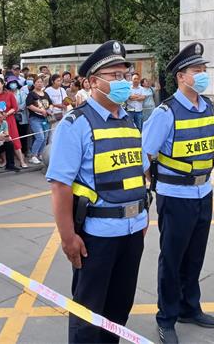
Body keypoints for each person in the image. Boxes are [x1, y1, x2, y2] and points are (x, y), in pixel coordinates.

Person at [47, 40, 148, 344]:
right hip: (97, 236)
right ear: (93, 82)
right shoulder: (75, 124)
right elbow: (60, 186)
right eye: (114, 75)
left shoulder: (129, 121)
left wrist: (142, 217)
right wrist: (68, 237)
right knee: (88, 314)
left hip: (132, 232)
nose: (122, 81)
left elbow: (138, 174)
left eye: (124, 74)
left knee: (119, 309)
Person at [142, 42, 214, 343]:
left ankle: (190, 307)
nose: (202, 74)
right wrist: (151, 187)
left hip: (204, 193)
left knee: (195, 256)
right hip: (175, 196)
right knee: (172, 260)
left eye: (204, 69)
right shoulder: (166, 112)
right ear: (181, 77)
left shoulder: (207, 106)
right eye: (196, 70)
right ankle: (166, 317)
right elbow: (144, 155)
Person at [0, 78, 27, 168]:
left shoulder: (10, 94)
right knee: (1, 141)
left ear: (2, 84)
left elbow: (15, 107)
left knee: (15, 140)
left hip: (10, 120)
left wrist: (7, 114)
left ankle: (21, 161)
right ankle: (4, 161)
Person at [26, 77, 53, 164]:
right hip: (35, 119)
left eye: (41, 82)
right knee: (40, 137)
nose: (40, 83)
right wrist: (41, 111)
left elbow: (51, 103)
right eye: (37, 82)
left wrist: (50, 109)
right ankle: (33, 155)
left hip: (45, 119)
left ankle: (41, 154)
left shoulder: (45, 93)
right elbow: (29, 105)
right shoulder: (31, 94)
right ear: (34, 83)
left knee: (45, 138)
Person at [7, 79, 30, 158]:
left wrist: (15, 109)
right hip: (11, 117)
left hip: (22, 116)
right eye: (11, 83)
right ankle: (14, 152)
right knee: (13, 135)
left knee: (23, 134)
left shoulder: (22, 93)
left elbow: (24, 103)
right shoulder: (8, 94)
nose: (13, 85)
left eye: (14, 83)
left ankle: (23, 151)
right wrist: (11, 110)